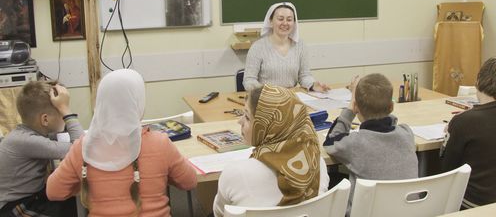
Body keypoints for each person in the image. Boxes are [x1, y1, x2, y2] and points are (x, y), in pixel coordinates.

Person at [46, 69, 197, 216]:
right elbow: (189, 182)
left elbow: (53, 192)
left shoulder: (83, 147)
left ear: (100, 102)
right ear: (139, 102)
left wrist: (86, 183)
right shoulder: (160, 143)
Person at [213, 85, 329, 217]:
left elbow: (219, 213)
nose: (240, 121)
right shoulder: (318, 163)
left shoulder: (235, 173)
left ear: (266, 125)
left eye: (247, 117)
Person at [323, 73, 418, 215]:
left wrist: (350, 108)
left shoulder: (354, 144)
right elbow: (392, 123)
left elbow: (331, 140)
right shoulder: (406, 134)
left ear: (356, 107)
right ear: (391, 107)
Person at [441, 56, 496, 209]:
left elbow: (448, 168)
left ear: (479, 80)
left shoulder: (465, 121)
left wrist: (451, 131)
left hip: (472, 202)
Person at [0, 81, 83, 216]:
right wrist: (66, 111)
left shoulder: (29, 133)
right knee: (77, 208)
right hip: (14, 208)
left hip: (30, 198)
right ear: (45, 120)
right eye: (61, 113)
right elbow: (80, 148)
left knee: (73, 202)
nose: (65, 117)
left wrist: (62, 108)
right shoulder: (27, 141)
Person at [243, 2, 329, 92]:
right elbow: (249, 81)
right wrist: (267, 92)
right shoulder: (257, 47)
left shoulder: (300, 45)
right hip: (266, 98)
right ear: (271, 22)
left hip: (291, 97)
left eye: (289, 19)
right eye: (280, 19)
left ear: (294, 23)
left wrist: (313, 85)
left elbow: (304, 76)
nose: (285, 23)